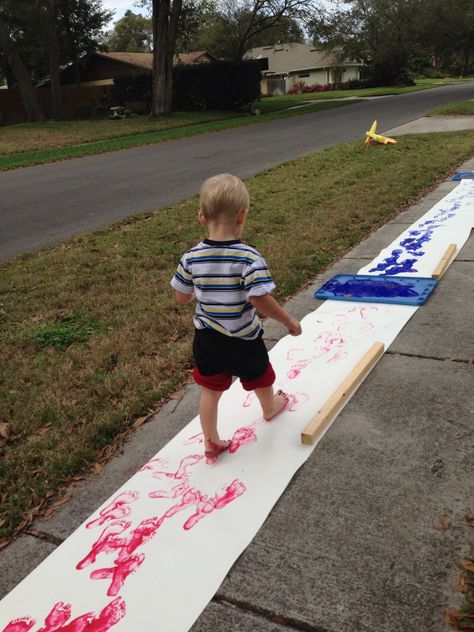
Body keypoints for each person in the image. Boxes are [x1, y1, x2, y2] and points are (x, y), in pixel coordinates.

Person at [171, 173, 302, 459]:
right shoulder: (249, 258)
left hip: (207, 339)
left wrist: (198, 291)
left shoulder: (190, 258)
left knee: (210, 390)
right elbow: (259, 298)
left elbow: (181, 297)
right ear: (242, 215)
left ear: (201, 217)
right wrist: (288, 320)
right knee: (261, 375)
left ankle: (211, 440)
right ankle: (269, 408)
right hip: (243, 337)